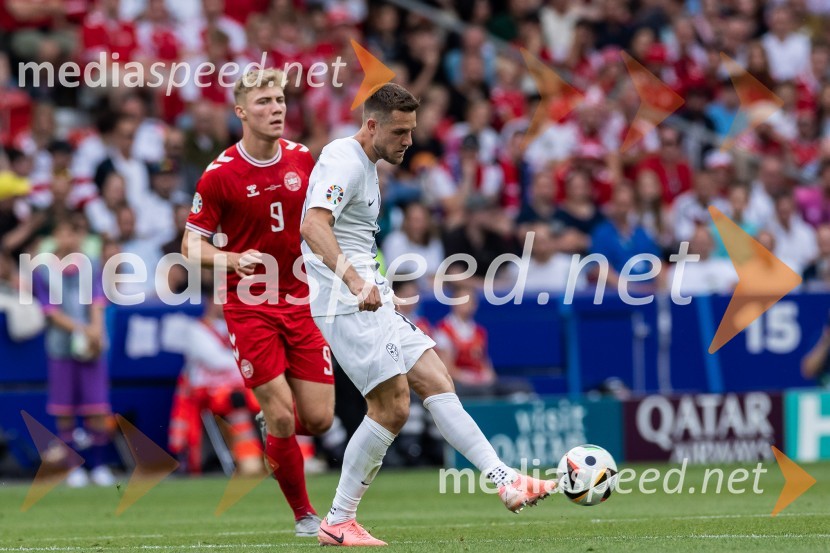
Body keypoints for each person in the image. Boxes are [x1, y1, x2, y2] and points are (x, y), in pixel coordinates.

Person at [300, 83, 557, 547]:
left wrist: (372, 283)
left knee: (437, 379)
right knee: (391, 407)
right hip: (347, 300)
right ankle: (339, 520)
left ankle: (506, 479)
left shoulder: (367, 165)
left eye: (412, 130)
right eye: (399, 132)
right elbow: (313, 224)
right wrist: (357, 283)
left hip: (370, 293)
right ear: (372, 124)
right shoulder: (343, 159)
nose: (409, 141)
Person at [181, 68, 334, 538]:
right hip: (250, 305)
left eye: (281, 100)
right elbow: (190, 246)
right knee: (284, 414)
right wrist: (230, 259)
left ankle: (278, 433)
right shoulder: (220, 175)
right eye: (265, 102)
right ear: (242, 112)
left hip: (303, 299)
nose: (277, 109)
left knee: (320, 419)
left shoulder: (303, 159)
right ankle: (305, 516)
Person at [33, 219, 114, 488]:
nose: (70, 238)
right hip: (60, 346)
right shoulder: (43, 270)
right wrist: (82, 329)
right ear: (55, 236)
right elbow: (49, 310)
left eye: (75, 231)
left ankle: (99, 466)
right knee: (64, 409)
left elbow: (97, 300)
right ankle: (72, 467)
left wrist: (96, 332)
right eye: (64, 232)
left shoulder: (90, 265)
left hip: (90, 347)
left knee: (97, 408)